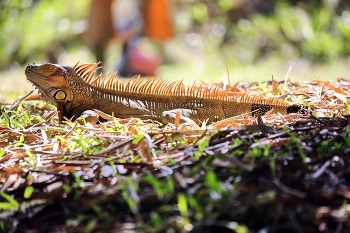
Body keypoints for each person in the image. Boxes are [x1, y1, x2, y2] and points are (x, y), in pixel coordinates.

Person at [86, 0, 174, 77]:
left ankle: (125, 68)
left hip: (130, 25)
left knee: (129, 48)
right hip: (124, 23)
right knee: (100, 33)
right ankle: (103, 68)